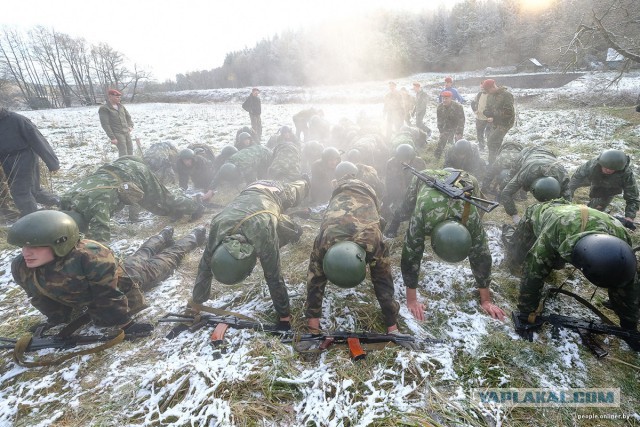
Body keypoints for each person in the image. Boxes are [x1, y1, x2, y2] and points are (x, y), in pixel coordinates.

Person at [8, 210, 206, 333]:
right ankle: (164, 234)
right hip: (114, 269)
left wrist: (122, 323)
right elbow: (39, 294)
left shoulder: (91, 255)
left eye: (34, 247)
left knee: (167, 258)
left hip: (130, 277)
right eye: (23, 247)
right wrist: (56, 319)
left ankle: (194, 236)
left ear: (60, 242)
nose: (26, 253)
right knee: (142, 253)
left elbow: (107, 295)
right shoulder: (22, 266)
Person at [503, 199, 639, 348]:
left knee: (555, 262)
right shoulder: (554, 232)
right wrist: (526, 312)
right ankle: (507, 231)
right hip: (544, 212)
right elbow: (533, 271)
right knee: (517, 253)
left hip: (577, 219)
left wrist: (629, 326)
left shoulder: (621, 238)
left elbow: (628, 285)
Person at [391, 169, 505, 320]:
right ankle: (393, 223)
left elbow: (481, 255)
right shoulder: (423, 213)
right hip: (427, 177)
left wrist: (486, 301)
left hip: (465, 178)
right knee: (405, 210)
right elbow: (411, 253)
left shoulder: (471, 218)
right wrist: (412, 301)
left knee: (476, 208)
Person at [192, 180, 308, 328]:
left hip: (277, 192)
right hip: (251, 190)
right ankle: (289, 222)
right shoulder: (218, 226)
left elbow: (273, 275)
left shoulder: (263, 233)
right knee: (275, 220)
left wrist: (284, 316)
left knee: (297, 192)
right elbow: (205, 265)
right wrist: (196, 303)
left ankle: (305, 183)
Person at [305, 177, 407, 333]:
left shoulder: (374, 243)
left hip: (368, 192)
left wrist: (392, 326)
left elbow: (383, 281)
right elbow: (315, 281)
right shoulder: (323, 242)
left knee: (377, 228)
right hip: (339, 192)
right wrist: (313, 329)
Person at [60, 156, 204, 242]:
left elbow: (101, 238)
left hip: (136, 172)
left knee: (165, 199)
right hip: (116, 169)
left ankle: (196, 207)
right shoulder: (65, 200)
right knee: (155, 208)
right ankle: (177, 212)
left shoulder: (98, 205)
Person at [0, 107, 60, 217]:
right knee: (34, 191)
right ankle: (62, 202)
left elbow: (38, 140)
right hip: (6, 160)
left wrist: (52, 163)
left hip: (24, 157)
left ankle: (32, 221)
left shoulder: (17, 120)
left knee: (20, 191)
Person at [500, 146, 570, 223]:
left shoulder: (562, 177)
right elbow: (506, 192)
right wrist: (514, 215)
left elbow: (568, 198)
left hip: (547, 154)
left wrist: (564, 214)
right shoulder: (525, 175)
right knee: (511, 177)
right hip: (526, 153)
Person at [568, 149, 639, 222]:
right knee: (566, 189)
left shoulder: (626, 174)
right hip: (592, 177)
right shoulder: (592, 165)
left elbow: (633, 197)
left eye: (612, 169)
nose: (608, 170)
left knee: (594, 212)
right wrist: (566, 201)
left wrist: (630, 216)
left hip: (610, 186)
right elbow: (573, 182)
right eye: (606, 167)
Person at [203, 143, 273, 200]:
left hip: (266, 154)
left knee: (265, 179)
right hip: (254, 150)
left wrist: (249, 192)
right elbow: (218, 176)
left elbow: (251, 180)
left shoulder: (245, 166)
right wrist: (210, 191)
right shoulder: (227, 164)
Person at [382, 144, 427, 219]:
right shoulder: (391, 163)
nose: (404, 162)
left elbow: (423, 179)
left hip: (413, 189)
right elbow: (388, 181)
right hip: (397, 188)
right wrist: (392, 194)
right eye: (401, 160)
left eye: (407, 160)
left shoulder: (419, 162)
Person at [481, 79, 515, 165]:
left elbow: (509, 112)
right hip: (495, 122)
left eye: (488, 91)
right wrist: (487, 113)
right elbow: (487, 108)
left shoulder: (506, 95)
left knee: (492, 141)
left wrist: (493, 114)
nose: (488, 93)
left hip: (505, 123)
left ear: (493, 87)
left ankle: (492, 164)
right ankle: (500, 161)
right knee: (494, 142)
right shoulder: (490, 96)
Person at [99, 89, 134, 157]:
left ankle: (130, 165)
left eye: (119, 97)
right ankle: (123, 166)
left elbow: (128, 117)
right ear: (110, 97)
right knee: (123, 152)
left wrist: (130, 126)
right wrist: (112, 137)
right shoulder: (104, 108)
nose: (119, 98)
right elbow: (105, 124)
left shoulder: (121, 106)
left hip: (126, 132)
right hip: (117, 133)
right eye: (117, 97)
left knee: (130, 150)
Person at [435, 91, 465, 159]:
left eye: (446, 98)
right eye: (443, 98)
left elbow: (461, 120)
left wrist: (459, 133)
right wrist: (441, 132)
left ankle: (457, 159)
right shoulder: (439, 107)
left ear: (451, 98)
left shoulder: (458, 106)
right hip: (446, 128)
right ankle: (436, 158)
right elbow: (439, 121)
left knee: (458, 145)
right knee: (441, 143)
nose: (444, 100)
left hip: (456, 127)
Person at [470, 83, 490, 151]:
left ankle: (490, 147)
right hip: (479, 118)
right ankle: (481, 147)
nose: (482, 89)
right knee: (479, 133)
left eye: (483, 87)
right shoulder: (479, 95)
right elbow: (472, 103)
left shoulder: (491, 95)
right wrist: (475, 110)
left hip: (489, 119)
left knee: (488, 134)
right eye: (481, 88)